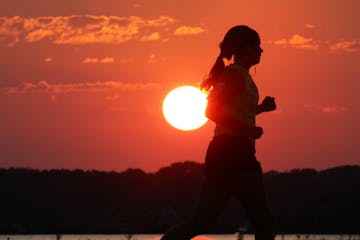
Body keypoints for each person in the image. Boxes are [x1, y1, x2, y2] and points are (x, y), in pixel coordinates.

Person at [161, 25, 277, 240]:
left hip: (228, 151)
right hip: (232, 151)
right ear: (244, 48)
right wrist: (247, 129)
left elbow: (235, 113)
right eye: (257, 45)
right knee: (263, 221)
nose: (261, 51)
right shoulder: (234, 76)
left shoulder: (239, 76)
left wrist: (260, 109)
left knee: (203, 221)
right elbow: (211, 111)